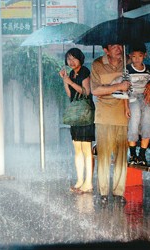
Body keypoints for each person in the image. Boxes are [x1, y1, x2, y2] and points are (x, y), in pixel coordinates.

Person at [90, 44, 131, 204]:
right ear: (106, 50)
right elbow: (95, 90)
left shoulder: (127, 63)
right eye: (114, 46)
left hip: (122, 116)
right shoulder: (97, 64)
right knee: (104, 156)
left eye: (119, 46)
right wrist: (118, 86)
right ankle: (103, 193)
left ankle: (119, 193)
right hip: (104, 117)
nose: (118, 49)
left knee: (121, 157)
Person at [59, 48, 95, 194]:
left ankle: (89, 182)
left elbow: (86, 92)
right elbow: (70, 95)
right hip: (76, 115)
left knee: (87, 150)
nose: (71, 62)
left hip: (85, 114)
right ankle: (80, 180)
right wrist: (65, 80)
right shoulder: (72, 74)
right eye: (68, 59)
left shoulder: (85, 71)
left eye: (74, 58)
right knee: (77, 150)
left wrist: (70, 82)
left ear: (80, 58)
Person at [124, 42, 150, 166]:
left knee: (148, 123)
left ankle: (142, 155)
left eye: (140, 56)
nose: (137, 59)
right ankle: (133, 154)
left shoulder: (148, 69)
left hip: (145, 99)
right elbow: (124, 89)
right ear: (129, 56)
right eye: (134, 56)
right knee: (133, 123)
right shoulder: (127, 70)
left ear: (145, 55)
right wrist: (126, 106)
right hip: (132, 99)